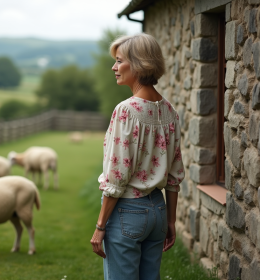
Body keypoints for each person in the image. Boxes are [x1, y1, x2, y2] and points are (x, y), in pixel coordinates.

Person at [90, 33, 185, 280]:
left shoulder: (126, 111)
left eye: (119, 61)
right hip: (158, 212)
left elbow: (117, 177)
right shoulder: (169, 111)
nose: (114, 67)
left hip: (127, 212)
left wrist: (100, 227)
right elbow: (174, 176)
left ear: (139, 63)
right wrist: (171, 222)